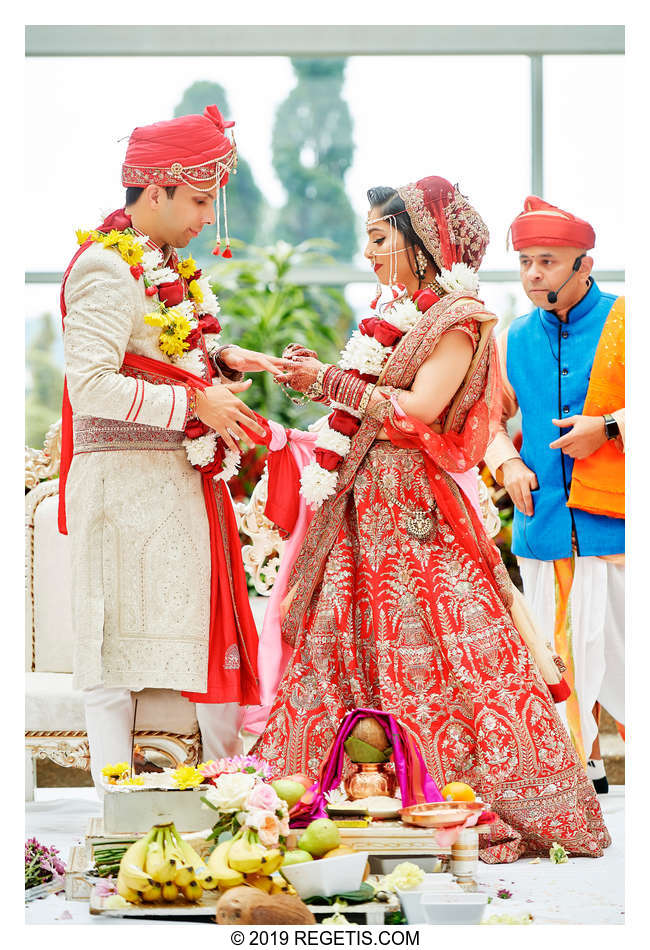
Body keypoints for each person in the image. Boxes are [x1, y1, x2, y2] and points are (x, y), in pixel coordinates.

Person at [253, 176, 610, 862]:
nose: (367, 253)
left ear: (424, 245)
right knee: (348, 639)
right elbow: (374, 400)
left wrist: (326, 380)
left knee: (449, 644)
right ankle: (352, 793)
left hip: (415, 510)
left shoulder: (460, 318)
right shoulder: (401, 313)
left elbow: (417, 410)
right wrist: (322, 378)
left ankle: (452, 792)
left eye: (380, 239)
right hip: (364, 504)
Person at [59, 104, 292, 792]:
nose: (206, 218)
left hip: (174, 490)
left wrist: (220, 356)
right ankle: (114, 807)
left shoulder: (165, 268)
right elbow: (92, 386)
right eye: (197, 199)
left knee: (204, 636)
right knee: (111, 657)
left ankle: (231, 795)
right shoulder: (106, 266)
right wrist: (196, 401)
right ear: (154, 189)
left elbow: (162, 347)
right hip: (121, 495)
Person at [484, 196, 625, 794]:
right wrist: (507, 460)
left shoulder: (628, 324)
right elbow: (483, 421)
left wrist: (611, 427)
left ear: (584, 264)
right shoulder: (513, 338)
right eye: (524, 263)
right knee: (556, 652)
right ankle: (576, 770)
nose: (534, 274)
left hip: (617, 527)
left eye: (547, 261)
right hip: (543, 527)